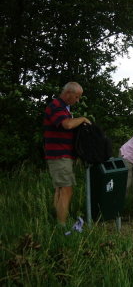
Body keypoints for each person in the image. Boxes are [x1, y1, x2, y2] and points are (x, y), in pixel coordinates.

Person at [44, 82, 91, 226]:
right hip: (59, 154)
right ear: (68, 93)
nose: (77, 100)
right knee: (66, 189)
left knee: (60, 189)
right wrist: (83, 119)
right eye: (76, 97)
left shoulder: (64, 108)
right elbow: (67, 125)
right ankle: (62, 226)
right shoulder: (55, 106)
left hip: (63, 154)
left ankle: (58, 222)